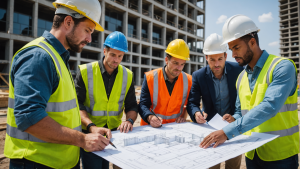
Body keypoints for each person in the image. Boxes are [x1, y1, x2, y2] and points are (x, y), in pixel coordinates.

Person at [4, 0, 111, 168]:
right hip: (36, 162)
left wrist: (90, 129)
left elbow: (62, 112)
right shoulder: (39, 57)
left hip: (56, 161)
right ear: (68, 22)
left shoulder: (57, 57)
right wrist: (82, 139)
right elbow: (28, 117)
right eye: (87, 31)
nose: (90, 39)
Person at [200, 15, 299, 169]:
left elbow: (270, 106)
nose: (233, 55)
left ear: (252, 42)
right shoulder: (241, 78)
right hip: (252, 153)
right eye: (231, 49)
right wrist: (233, 119)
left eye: (236, 48)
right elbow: (241, 111)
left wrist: (227, 131)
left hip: (280, 155)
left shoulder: (282, 67)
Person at [75, 31, 138, 169]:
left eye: (120, 56)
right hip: (91, 133)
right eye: (113, 55)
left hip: (115, 134)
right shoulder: (86, 71)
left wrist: (129, 121)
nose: (116, 60)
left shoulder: (127, 76)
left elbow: (132, 106)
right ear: (105, 51)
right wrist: (91, 126)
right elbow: (77, 105)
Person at [187, 33, 243, 169]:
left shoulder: (238, 70)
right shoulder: (198, 76)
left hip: (233, 127)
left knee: (234, 165)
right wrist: (196, 114)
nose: (216, 64)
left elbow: (243, 99)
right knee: (212, 165)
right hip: (210, 129)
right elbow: (192, 103)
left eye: (219, 59)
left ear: (226, 56)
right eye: (212, 60)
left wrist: (236, 117)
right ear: (206, 57)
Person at [139, 39, 192, 127]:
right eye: (175, 63)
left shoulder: (189, 80)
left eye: (182, 64)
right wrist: (150, 117)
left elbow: (190, 104)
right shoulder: (150, 78)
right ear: (166, 60)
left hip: (175, 127)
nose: (179, 68)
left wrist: (183, 116)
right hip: (151, 128)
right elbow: (143, 104)